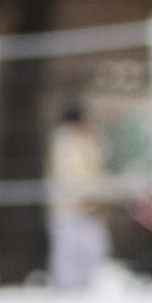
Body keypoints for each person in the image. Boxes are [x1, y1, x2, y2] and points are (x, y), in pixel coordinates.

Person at [46, 101, 109, 291]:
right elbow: (70, 174)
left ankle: (86, 287)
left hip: (88, 207)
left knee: (94, 249)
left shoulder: (87, 141)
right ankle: (66, 291)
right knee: (67, 252)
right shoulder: (65, 143)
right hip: (69, 207)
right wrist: (86, 195)